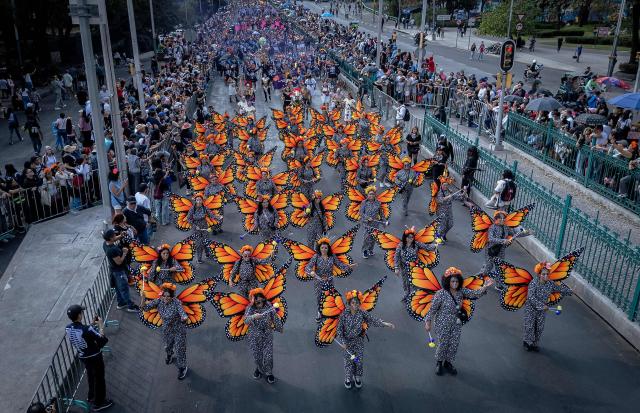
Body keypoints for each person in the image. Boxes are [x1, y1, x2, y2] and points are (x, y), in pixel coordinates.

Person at [424, 267, 494, 376]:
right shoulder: (440, 294)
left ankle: (447, 362)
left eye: (457, 281)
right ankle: (439, 363)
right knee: (443, 343)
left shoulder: (461, 291)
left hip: (456, 322)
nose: (455, 283)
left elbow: (474, 294)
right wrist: (428, 322)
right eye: (452, 281)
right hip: (442, 322)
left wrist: (485, 287)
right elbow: (432, 309)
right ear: (448, 281)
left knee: (453, 343)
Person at [336, 289, 394, 389]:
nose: (355, 305)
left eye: (357, 303)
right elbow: (339, 330)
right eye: (353, 302)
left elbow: (373, 320)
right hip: (347, 342)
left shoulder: (362, 313)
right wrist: (343, 342)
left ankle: (357, 377)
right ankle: (348, 378)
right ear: (349, 303)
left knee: (358, 360)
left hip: (358, 341)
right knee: (348, 361)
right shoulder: (344, 315)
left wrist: (385, 324)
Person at [65, 304, 114, 411]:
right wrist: (101, 326)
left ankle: (91, 396)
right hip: (94, 357)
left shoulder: (68, 328)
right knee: (99, 379)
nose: (82, 314)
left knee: (90, 376)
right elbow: (102, 340)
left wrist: (91, 325)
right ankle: (99, 403)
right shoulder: (87, 329)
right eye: (81, 312)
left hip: (83, 356)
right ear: (79, 315)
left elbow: (84, 333)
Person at [141, 283, 190, 380]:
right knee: (168, 346)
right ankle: (169, 355)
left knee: (180, 349)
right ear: (162, 295)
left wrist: (184, 317)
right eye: (164, 295)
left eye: (168, 296)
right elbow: (144, 308)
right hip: (167, 330)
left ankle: (182, 367)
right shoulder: (158, 301)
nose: (166, 298)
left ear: (172, 297)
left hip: (178, 330)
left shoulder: (176, 302)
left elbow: (182, 312)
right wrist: (142, 298)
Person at [522, 262, 572, 352]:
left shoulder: (550, 283)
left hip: (542, 310)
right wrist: (542, 305)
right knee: (530, 326)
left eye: (547, 274)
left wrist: (570, 291)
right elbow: (531, 297)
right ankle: (527, 342)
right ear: (539, 274)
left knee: (539, 327)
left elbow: (559, 289)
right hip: (531, 308)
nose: (546, 276)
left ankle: (534, 344)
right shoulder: (533, 283)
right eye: (543, 274)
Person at [305, 237, 354, 320]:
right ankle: (319, 312)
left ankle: (330, 311)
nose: (324, 249)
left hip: (329, 281)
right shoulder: (316, 256)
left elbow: (339, 264)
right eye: (322, 248)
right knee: (319, 296)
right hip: (319, 281)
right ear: (319, 248)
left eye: (325, 248)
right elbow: (307, 267)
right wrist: (311, 272)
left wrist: (348, 267)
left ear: (328, 249)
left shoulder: (332, 256)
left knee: (330, 296)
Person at [244, 288, 284, 384]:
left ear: (263, 298)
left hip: (267, 334)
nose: (259, 301)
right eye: (256, 299)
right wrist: (253, 316)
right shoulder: (250, 308)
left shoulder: (269, 305)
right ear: (253, 300)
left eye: (260, 298)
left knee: (268, 356)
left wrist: (279, 327)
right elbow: (245, 321)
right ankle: (259, 368)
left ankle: (269, 372)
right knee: (257, 356)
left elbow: (275, 316)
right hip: (254, 336)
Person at [476, 210, 529, 281]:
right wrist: (503, 241)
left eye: (504, 219)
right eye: (500, 219)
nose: (502, 220)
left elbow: (514, 234)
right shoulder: (492, 227)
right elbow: (490, 238)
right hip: (491, 249)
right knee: (489, 266)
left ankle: (498, 284)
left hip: (501, 250)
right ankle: (478, 278)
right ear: (496, 219)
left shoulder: (506, 227)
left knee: (500, 267)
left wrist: (527, 233)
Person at [394, 228, 437, 302]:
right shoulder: (400, 245)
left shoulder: (416, 244)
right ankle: (407, 293)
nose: (410, 239)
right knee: (406, 282)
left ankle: (413, 297)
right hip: (404, 267)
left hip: (414, 268)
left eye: (412, 237)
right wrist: (396, 268)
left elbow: (426, 247)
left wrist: (435, 245)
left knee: (414, 283)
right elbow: (396, 256)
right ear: (405, 237)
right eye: (408, 237)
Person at [103, 229, 139, 312]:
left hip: (114, 271)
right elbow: (119, 262)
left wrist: (121, 235)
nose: (116, 236)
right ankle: (130, 306)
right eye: (114, 235)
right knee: (124, 289)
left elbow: (114, 239)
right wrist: (124, 253)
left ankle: (121, 303)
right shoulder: (112, 250)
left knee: (118, 289)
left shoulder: (105, 243)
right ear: (111, 238)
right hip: (119, 272)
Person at [430, 176, 467, 242]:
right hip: (441, 211)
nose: (445, 186)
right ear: (441, 185)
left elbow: (458, 197)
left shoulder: (449, 191)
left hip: (449, 211)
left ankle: (443, 235)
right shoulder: (439, 192)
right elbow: (440, 200)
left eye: (446, 185)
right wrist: (447, 197)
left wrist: (464, 191)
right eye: (444, 185)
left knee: (450, 224)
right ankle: (438, 237)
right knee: (442, 225)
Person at [187, 194, 220, 264]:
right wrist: (194, 226)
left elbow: (211, 215)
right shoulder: (192, 209)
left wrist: (217, 217)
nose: (199, 201)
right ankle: (199, 258)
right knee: (199, 244)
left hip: (204, 227)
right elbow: (188, 219)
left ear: (202, 201)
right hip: (196, 229)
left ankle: (207, 253)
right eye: (197, 200)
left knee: (206, 241)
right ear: (195, 201)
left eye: (200, 200)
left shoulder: (205, 208)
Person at [360, 186, 384, 258]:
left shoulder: (378, 203)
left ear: (375, 195)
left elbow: (381, 213)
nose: (371, 195)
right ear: (367, 195)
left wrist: (384, 221)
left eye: (373, 194)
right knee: (366, 238)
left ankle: (370, 250)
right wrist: (367, 218)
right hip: (366, 223)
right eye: (370, 194)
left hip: (375, 223)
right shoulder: (364, 202)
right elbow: (361, 213)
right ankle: (364, 251)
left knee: (373, 238)